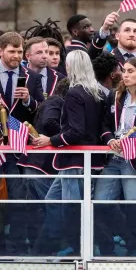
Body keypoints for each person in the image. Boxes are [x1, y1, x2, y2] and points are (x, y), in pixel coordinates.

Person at [31, 51, 106, 255]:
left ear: (71, 67)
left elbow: (75, 131)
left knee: (73, 207)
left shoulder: (74, 92)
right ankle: (55, 243)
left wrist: (51, 140)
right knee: (53, 200)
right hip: (89, 158)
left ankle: (79, 248)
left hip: (75, 159)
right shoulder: (97, 92)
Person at [0, 32, 44, 254]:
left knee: (18, 196)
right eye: (12, 51)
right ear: (0, 51)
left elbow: (41, 110)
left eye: (19, 51)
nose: (17, 55)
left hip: (18, 147)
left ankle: (16, 244)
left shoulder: (32, 76)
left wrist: (28, 99)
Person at [94, 57, 136, 257]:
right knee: (100, 203)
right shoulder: (114, 96)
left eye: (131, 71)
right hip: (114, 157)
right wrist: (109, 140)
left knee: (135, 205)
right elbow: (105, 125)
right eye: (124, 71)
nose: (125, 75)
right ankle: (130, 241)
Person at [19, 79, 68, 255]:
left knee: (41, 208)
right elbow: (49, 122)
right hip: (40, 164)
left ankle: (40, 249)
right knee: (52, 207)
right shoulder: (57, 101)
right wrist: (67, 134)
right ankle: (45, 249)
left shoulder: (53, 101)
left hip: (38, 164)